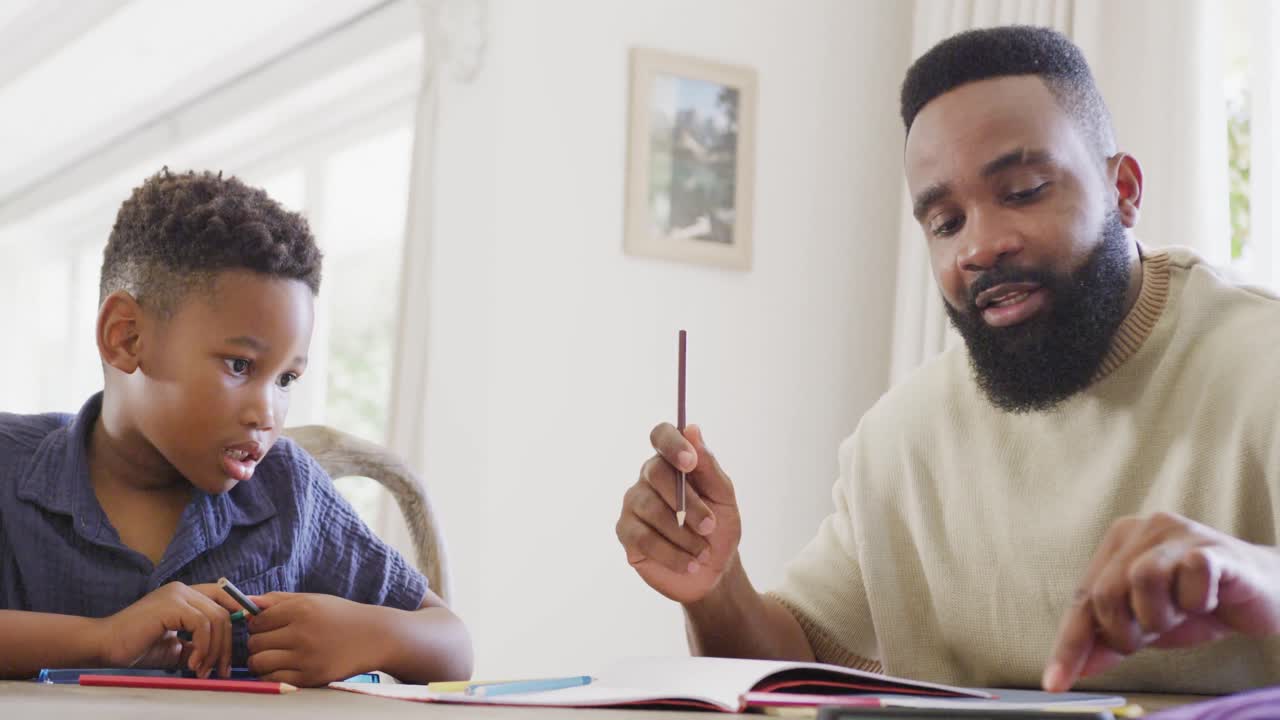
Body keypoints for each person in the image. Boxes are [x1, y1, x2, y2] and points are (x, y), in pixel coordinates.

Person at [616, 25, 1280, 695]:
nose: (980, 246)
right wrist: (713, 583)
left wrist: (1258, 575)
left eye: (1021, 191)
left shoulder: (1262, 364)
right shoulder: (897, 443)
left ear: (1124, 190)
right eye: (945, 222)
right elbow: (788, 666)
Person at [0, 169, 472, 686]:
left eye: (287, 378)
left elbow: (451, 643)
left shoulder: (290, 490)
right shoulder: (9, 465)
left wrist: (371, 634)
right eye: (240, 366)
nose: (267, 414)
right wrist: (105, 638)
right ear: (126, 338)